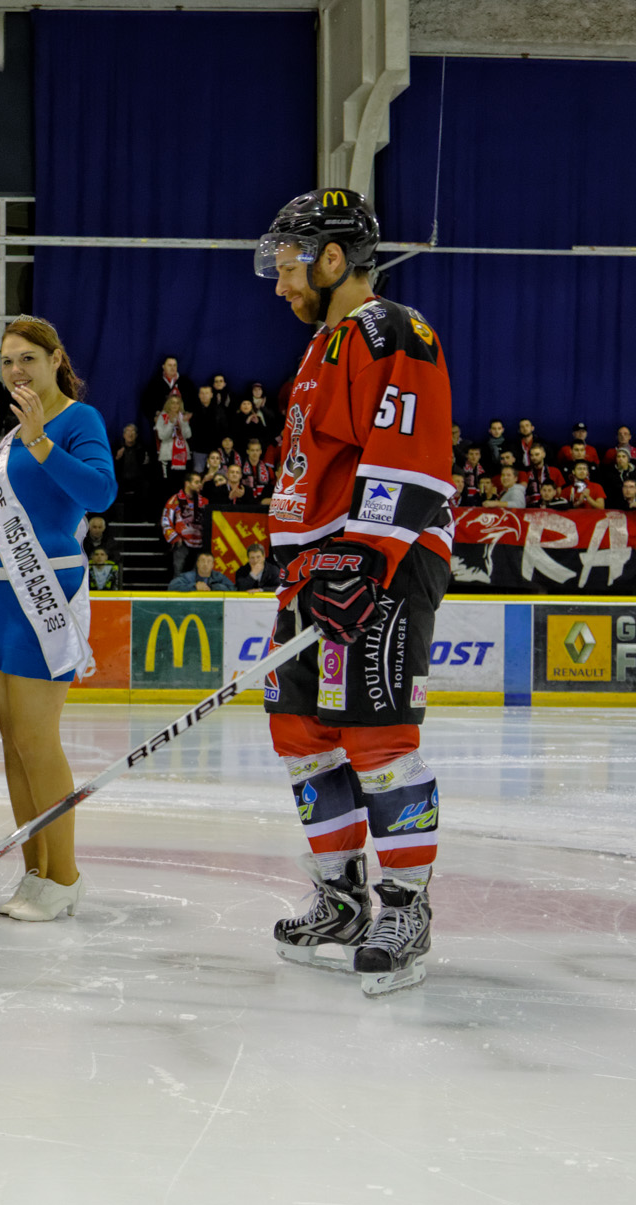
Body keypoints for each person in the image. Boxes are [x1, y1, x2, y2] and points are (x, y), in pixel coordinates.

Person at [255, 187, 453, 995]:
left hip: (380, 564)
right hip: (322, 572)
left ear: (335, 259)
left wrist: (365, 560)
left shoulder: (391, 330)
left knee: (378, 737)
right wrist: (307, 566)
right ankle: (340, 898)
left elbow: (410, 452)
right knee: (300, 729)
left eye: (292, 263)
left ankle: (406, 907)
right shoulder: (325, 344)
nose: (281, 283)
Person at [0, 316, 115, 923]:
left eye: (27, 358)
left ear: (56, 359)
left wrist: (41, 442)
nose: (16, 371)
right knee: (16, 751)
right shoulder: (9, 434)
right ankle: (35, 871)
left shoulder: (79, 420)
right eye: (7, 362)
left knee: (38, 742)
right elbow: (5, 504)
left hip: (42, 593)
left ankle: (66, 876)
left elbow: (99, 494)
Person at [161, 471, 209, 574]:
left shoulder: (204, 501)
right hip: (182, 545)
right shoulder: (175, 500)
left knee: (199, 577)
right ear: (187, 483)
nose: (199, 485)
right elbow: (165, 521)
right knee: (179, 575)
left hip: (201, 546)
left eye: (200, 482)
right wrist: (175, 538)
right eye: (196, 482)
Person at [138, 355, 191, 431]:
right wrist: (154, 416)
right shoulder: (155, 383)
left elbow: (193, 402)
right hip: (162, 426)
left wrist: (188, 415)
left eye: (174, 365)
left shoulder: (185, 383)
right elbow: (146, 403)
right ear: (163, 366)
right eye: (170, 365)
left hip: (181, 427)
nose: (172, 368)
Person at [154, 394, 193, 479]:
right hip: (168, 457)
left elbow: (188, 435)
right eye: (172, 403)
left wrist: (183, 423)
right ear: (168, 404)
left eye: (177, 403)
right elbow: (162, 436)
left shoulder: (182, 416)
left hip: (183, 456)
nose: (175, 405)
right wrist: (171, 423)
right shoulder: (162, 417)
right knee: (170, 485)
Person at [169, 549, 234, 591]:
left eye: (208, 562)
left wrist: (211, 587)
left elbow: (233, 589)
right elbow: (172, 586)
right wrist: (194, 587)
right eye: (203, 561)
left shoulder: (219, 576)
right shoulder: (188, 576)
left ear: (212, 565)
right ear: (197, 563)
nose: (205, 564)